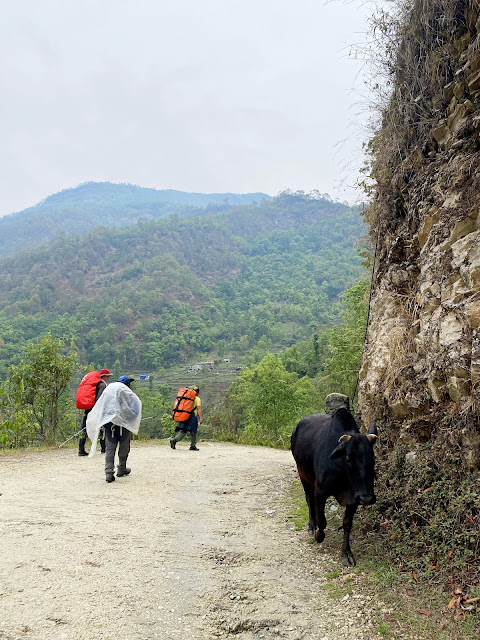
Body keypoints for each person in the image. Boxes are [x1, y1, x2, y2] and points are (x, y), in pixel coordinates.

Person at [86, 376, 142, 483]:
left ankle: (109, 472)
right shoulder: (129, 395)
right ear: (128, 384)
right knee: (124, 446)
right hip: (123, 427)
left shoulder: (109, 394)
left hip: (109, 426)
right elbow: (135, 411)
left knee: (110, 448)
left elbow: (102, 409)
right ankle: (121, 468)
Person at [78, 368, 112, 456]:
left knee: (84, 429)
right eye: (108, 376)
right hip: (96, 410)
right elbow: (99, 399)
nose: (109, 378)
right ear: (104, 377)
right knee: (102, 429)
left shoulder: (94, 385)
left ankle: (81, 449)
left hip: (88, 409)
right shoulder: (102, 385)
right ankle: (104, 449)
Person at [170, 386, 203, 451]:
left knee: (184, 430)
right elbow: (198, 409)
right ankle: (192, 446)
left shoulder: (186, 397)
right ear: (198, 393)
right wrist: (201, 418)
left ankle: (174, 440)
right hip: (192, 416)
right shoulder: (197, 399)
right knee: (193, 431)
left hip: (185, 415)